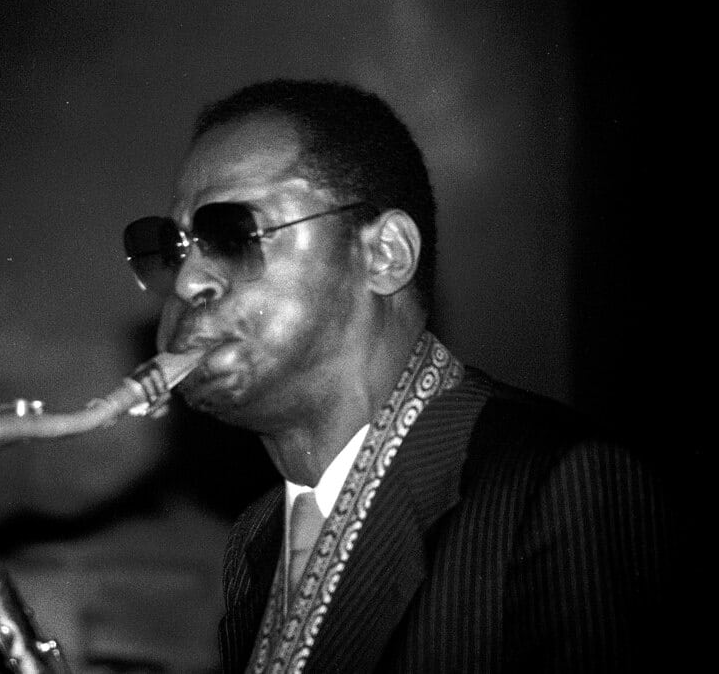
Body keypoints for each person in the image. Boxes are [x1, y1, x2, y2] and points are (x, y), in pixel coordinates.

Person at [122, 79, 677, 672]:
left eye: (232, 235)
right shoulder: (255, 542)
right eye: (172, 249)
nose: (187, 282)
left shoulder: (559, 490)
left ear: (386, 254)